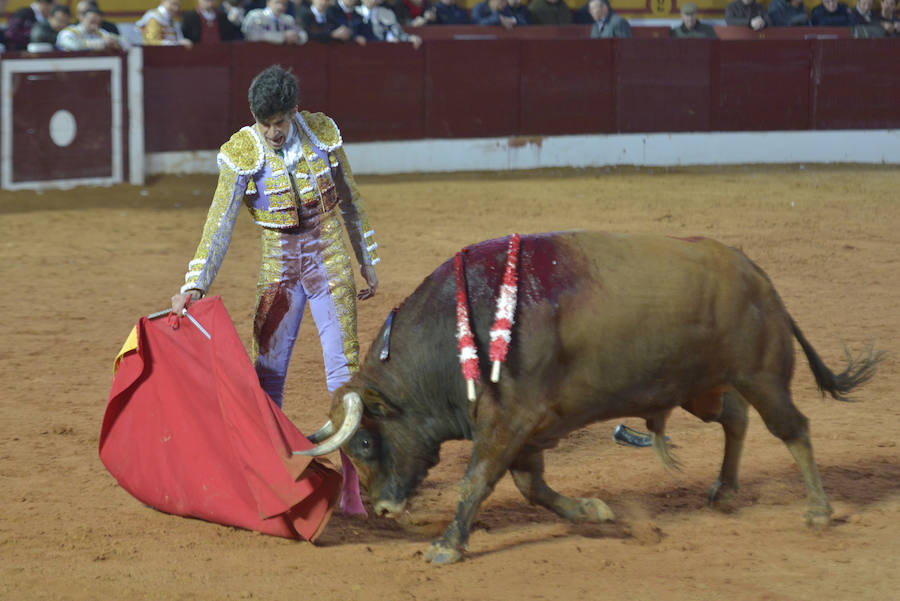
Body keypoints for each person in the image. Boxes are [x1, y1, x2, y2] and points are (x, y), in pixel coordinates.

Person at [170, 65, 379, 516]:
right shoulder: (243, 151)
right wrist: (194, 283)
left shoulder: (321, 133)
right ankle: (273, 479)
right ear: (254, 117)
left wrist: (365, 260)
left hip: (329, 259)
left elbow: (349, 198)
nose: (272, 133)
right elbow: (218, 222)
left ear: (293, 112)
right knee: (267, 376)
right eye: (264, 124)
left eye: (279, 123)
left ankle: (352, 490)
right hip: (279, 268)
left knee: (343, 374)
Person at [357, 0, 424, 46]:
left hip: (383, 52)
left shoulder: (387, 12)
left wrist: (408, 38)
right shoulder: (355, 13)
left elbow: (397, 32)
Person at [57, 5, 122, 49]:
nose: (95, 25)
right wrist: (101, 43)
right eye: (92, 22)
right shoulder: (69, 31)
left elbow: (124, 43)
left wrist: (115, 41)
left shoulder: (100, 32)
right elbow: (72, 45)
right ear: (82, 19)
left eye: (98, 23)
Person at [242, 0, 309, 42]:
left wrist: (297, 37)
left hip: (281, 59)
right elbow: (251, 35)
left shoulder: (288, 20)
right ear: (268, 2)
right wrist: (282, 37)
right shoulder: (255, 15)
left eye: (284, 4)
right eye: (277, 2)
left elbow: (303, 35)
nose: (281, 7)